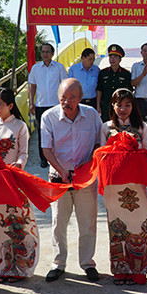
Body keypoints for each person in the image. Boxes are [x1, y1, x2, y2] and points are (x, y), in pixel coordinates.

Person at [42, 78, 101, 282]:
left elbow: (98, 144)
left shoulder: (92, 116)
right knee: (59, 223)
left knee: (88, 222)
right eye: (63, 97)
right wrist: (61, 170)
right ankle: (58, 264)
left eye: (72, 98)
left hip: (85, 179)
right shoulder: (49, 117)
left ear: (80, 98)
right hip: (59, 177)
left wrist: (88, 168)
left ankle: (87, 263)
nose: (67, 102)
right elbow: (46, 149)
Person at [98, 88, 147, 285]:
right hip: (114, 186)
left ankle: (138, 270)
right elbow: (101, 155)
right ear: (112, 106)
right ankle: (120, 269)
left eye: (127, 105)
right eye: (119, 104)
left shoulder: (141, 127)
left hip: (136, 184)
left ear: (133, 106)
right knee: (117, 227)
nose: (123, 109)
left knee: (139, 223)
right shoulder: (106, 128)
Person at [0, 87, 34, 283]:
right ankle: (2, 268)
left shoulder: (20, 126)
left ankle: (19, 268)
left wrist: (18, 165)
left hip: (14, 178)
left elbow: (23, 153)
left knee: (17, 223)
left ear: (10, 106)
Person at [28, 43, 66, 168]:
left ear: (52, 53)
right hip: (41, 105)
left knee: (57, 132)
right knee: (42, 133)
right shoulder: (35, 68)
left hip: (56, 105)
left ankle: (57, 157)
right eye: (43, 51)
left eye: (47, 52)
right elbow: (32, 86)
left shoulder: (59, 67)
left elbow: (64, 86)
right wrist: (31, 103)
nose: (45, 54)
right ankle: (43, 159)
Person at [96, 44, 132, 122]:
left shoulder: (126, 74)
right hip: (105, 106)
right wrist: (98, 106)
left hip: (120, 107)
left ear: (120, 59)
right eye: (111, 57)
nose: (112, 59)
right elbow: (99, 90)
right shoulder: (103, 73)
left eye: (115, 57)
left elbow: (128, 92)